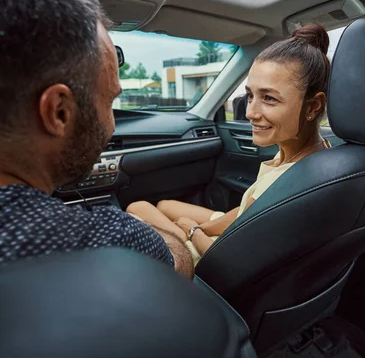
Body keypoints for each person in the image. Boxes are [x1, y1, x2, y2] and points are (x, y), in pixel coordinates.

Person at [0, 0, 193, 277]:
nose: (112, 124)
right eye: (109, 102)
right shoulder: (110, 239)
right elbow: (180, 269)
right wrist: (157, 233)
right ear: (58, 112)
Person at [128, 24, 332, 265]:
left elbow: (230, 258)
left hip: (217, 254)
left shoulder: (285, 185)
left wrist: (193, 232)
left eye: (269, 98)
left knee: (137, 207)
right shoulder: (316, 153)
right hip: (241, 228)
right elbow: (249, 210)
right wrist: (205, 226)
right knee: (164, 205)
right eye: (250, 96)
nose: (250, 113)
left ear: (312, 107)